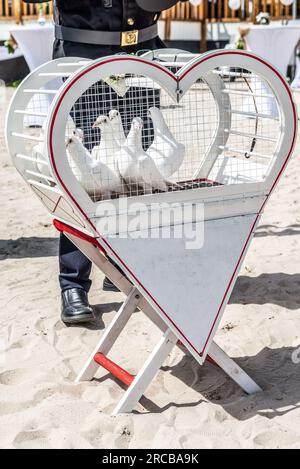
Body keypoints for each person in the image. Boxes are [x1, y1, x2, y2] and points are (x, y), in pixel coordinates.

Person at [23, 0, 186, 325]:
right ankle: (73, 283)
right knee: (83, 176)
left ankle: (125, 264)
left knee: (137, 170)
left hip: (142, 55)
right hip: (84, 59)